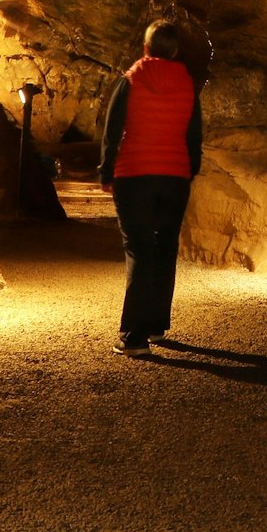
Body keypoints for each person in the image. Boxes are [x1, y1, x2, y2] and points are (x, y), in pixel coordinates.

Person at [97, 19, 203, 357]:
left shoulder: (132, 80)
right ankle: (156, 323)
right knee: (165, 247)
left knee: (139, 250)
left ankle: (134, 336)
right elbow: (194, 134)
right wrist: (189, 171)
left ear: (146, 48)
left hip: (135, 174)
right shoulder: (188, 84)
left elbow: (113, 130)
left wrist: (106, 171)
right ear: (175, 51)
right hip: (174, 177)